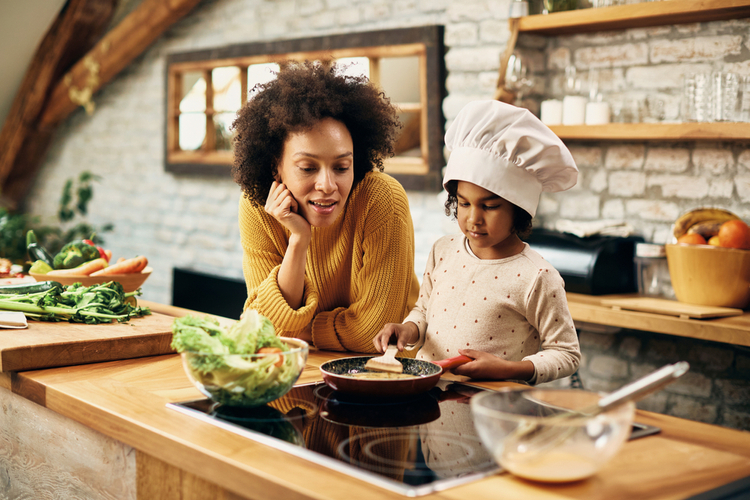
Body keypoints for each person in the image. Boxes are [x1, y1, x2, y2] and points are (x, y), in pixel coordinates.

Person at [374, 100, 581, 385]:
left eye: (490, 206)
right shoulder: (442, 250)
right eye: (464, 203)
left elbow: (566, 353)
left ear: (518, 209)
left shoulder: (538, 277)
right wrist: (408, 330)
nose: (473, 218)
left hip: (493, 413)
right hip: (430, 398)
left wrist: (508, 369)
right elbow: (424, 311)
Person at [232, 60, 419, 352]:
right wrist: (299, 240)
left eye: (342, 167)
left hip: (382, 375)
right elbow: (263, 327)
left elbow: (373, 333)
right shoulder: (258, 206)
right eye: (307, 168)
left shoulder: (382, 200)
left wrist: (300, 327)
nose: (328, 185)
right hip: (302, 371)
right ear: (275, 167)